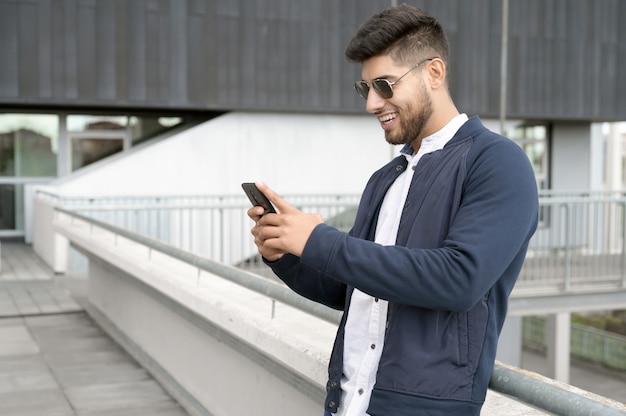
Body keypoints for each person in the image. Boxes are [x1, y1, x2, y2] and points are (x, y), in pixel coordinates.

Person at [247, 4, 538, 416]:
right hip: (347, 403)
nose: (372, 104)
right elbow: (347, 287)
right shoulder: (385, 178)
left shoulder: (498, 162)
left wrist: (321, 240)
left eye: (384, 85)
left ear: (433, 73)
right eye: (365, 89)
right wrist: (286, 253)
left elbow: (459, 279)